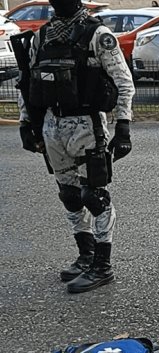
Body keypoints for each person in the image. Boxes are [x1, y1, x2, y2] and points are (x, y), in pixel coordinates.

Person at [14, 0, 135, 293]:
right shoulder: (43, 36)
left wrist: (123, 126)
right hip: (52, 124)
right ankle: (86, 254)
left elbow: (123, 81)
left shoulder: (97, 34)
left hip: (86, 124)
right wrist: (25, 123)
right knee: (69, 194)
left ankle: (102, 266)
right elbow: (27, 80)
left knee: (94, 196)